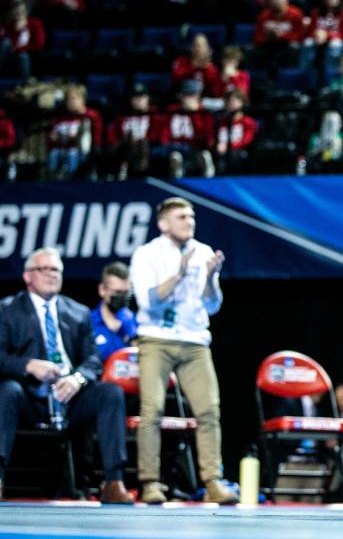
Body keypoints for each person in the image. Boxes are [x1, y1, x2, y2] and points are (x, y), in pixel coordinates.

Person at [0, 248, 134, 503]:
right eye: (45, 269)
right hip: (29, 398)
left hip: (70, 397)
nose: (52, 275)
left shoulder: (78, 312)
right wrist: (28, 365)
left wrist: (78, 379)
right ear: (28, 276)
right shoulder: (7, 310)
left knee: (109, 393)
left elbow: (94, 359)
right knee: (7, 391)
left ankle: (113, 481)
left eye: (57, 270)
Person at [128, 197, 237, 505]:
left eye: (191, 216)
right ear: (163, 224)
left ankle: (213, 481)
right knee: (152, 411)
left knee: (208, 411)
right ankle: (150, 483)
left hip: (194, 341)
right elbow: (148, 301)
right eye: (180, 217)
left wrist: (212, 278)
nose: (189, 221)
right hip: (156, 339)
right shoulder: (146, 254)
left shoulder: (203, 252)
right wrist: (179, 273)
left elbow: (212, 305)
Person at [90, 262, 138, 361]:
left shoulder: (136, 321)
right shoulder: (88, 323)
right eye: (117, 292)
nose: (122, 297)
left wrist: (132, 335)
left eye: (126, 293)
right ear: (102, 289)